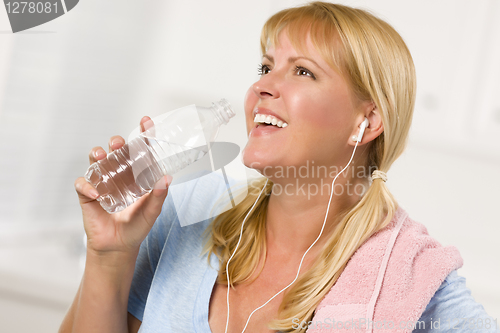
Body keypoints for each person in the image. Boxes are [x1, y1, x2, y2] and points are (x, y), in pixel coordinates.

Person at [60, 2, 498, 333]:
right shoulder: (186, 212)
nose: (262, 86)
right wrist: (110, 254)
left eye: (303, 72)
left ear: (367, 122)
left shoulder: (411, 277)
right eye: (266, 67)